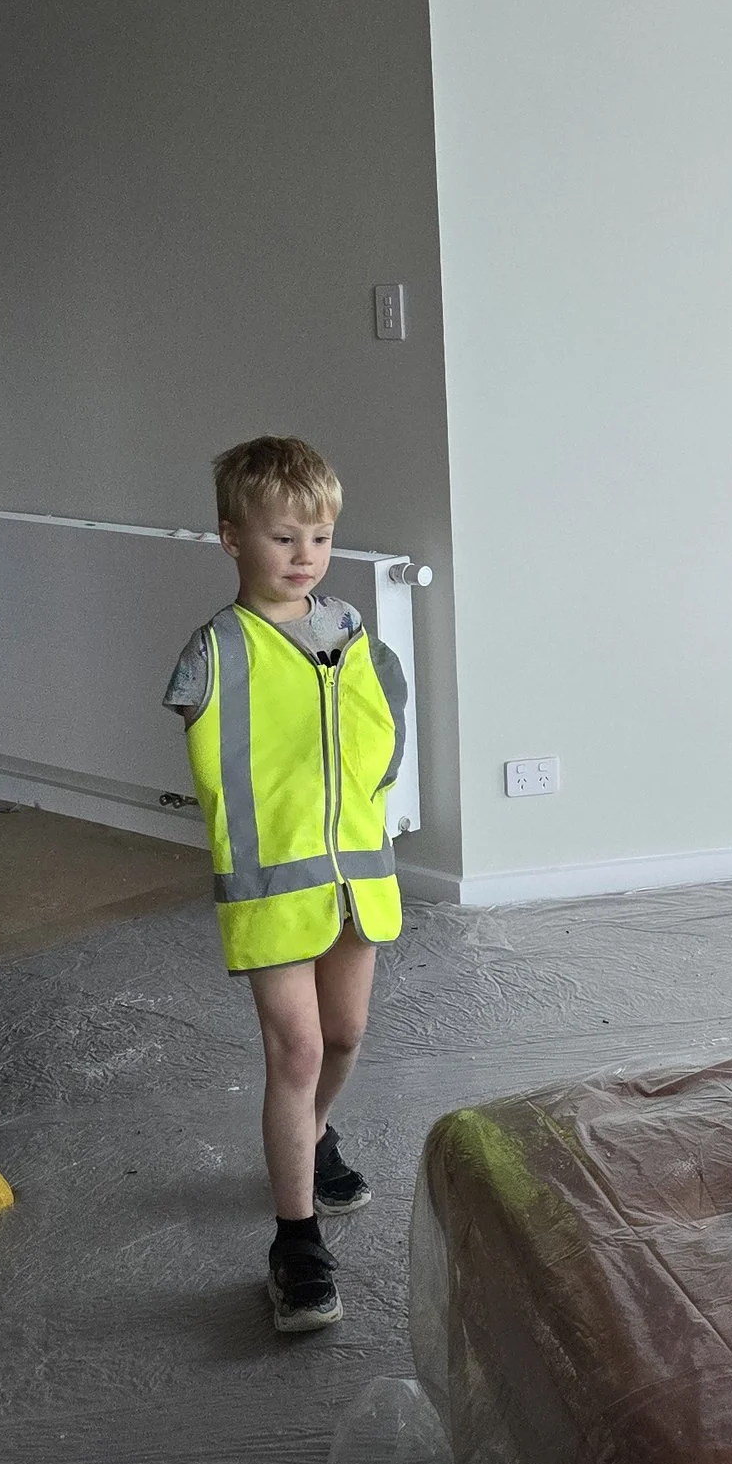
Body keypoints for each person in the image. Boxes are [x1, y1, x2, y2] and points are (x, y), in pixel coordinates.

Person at [165, 435, 408, 1332]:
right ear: (232, 538)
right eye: (282, 538)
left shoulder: (351, 634)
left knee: (345, 1037)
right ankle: (295, 1239)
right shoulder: (215, 652)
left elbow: (382, 732)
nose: (304, 556)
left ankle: (310, 1135)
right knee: (296, 1052)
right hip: (273, 887)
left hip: (357, 878)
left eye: (319, 537)